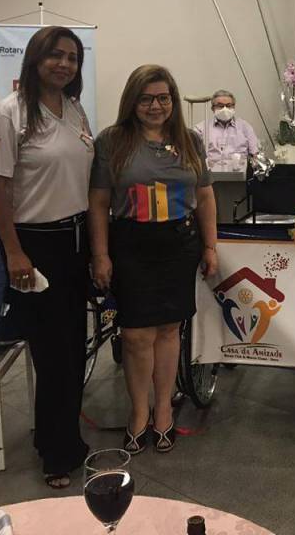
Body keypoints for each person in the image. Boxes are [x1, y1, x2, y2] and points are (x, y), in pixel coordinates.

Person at [0, 26, 93, 489]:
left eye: (72, 57)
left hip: (76, 239)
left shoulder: (74, 109)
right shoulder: (10, 113)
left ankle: (61, 435)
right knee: (51, 352)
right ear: (34, 58)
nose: (64, 64)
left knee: (74, 346)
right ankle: (56, 455)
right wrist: (13, 251)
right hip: (35, 244)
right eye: (55, 55)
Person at [88, 65, 218, 454]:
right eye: (146, 99)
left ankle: (163, 412)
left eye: (163, 98)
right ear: (132, 101)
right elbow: (99, 203)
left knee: (168, 331)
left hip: (178, 245)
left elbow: (205, 196)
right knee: (135, 335)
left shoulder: (190, 141)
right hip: (131, 245)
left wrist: (210, 246)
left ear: (172, 101)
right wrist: (100, 255)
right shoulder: (111, 141)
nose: (155, 106)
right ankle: (138, 412)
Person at [193, 89, 259, 169]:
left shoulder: (245, 127)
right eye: (220, 106)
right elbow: (191, 156)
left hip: (239, 173)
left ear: (234, 107)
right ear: (213, 108)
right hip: (210, 173)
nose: (225, 109)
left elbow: (255, 154)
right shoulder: (201, 128)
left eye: (229, 105)